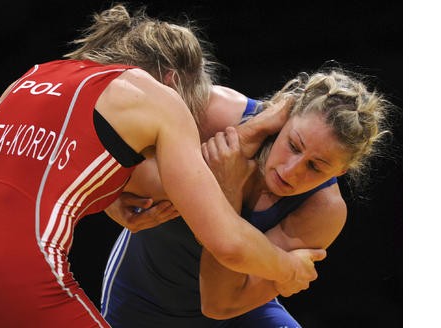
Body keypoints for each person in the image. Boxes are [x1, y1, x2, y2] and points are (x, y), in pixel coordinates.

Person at [0, 4, 324, 327]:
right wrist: (288, 269)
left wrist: (108, 197)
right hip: (16, 271)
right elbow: (228, 244)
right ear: (173, 82)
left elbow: (30, 170)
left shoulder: (32, 77)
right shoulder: (157, 96)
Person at [100, 69, 390, 327]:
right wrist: (108, 199)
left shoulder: (323, 210)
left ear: (342, 170)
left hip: (232, 313)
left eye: (316, 167)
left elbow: (219, 304)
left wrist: (229, 190)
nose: (291, 171)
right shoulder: (216, 113)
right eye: (293, 144)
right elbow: (101, 131)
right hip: (144, 297)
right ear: (286, 117)